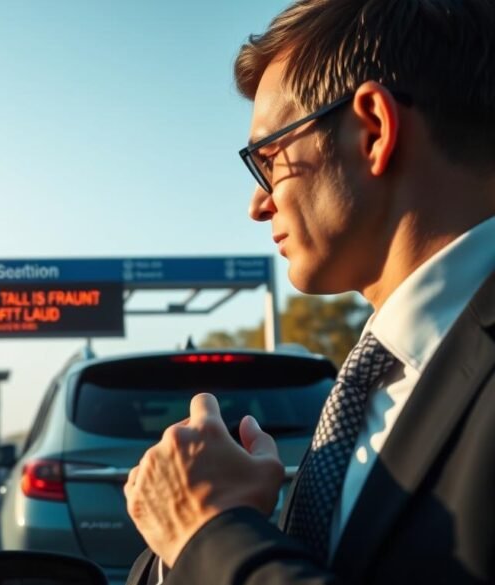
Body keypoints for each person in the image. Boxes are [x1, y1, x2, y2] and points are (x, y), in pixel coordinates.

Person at [124, 0, 495, 583]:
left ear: (372, 129)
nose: (258, 203)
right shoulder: (374, 374)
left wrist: (206, 531)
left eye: (268, 159)